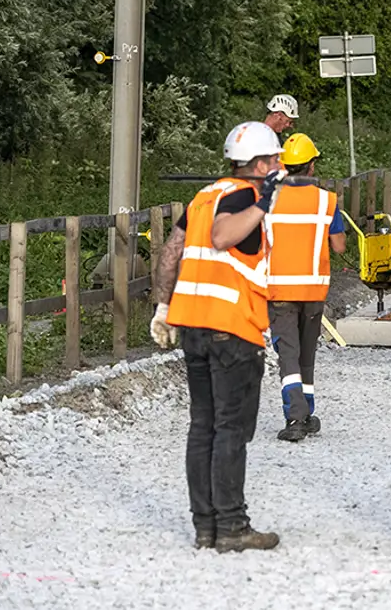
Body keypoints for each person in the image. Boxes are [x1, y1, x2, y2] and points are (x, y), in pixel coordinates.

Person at [148, 121, 286, 552]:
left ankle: (205, 527)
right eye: (275, 160)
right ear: (260, 166)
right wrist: (265, 200)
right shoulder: (246, 197)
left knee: (202, 427)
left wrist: (164, 305)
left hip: (193, 326)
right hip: (233, 329)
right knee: (230, 428)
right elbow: (223, 237)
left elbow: (172, 252)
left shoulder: (204, 197)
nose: (280, 166)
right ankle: (232, 527)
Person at [264, 133, 346, 443]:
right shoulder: (327, 200)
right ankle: (306, 413)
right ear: (311, 166)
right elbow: (339, 246)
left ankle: (296, 417)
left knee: (288, 354)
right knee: (306, 354)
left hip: (279, 292)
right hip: (313, 290)